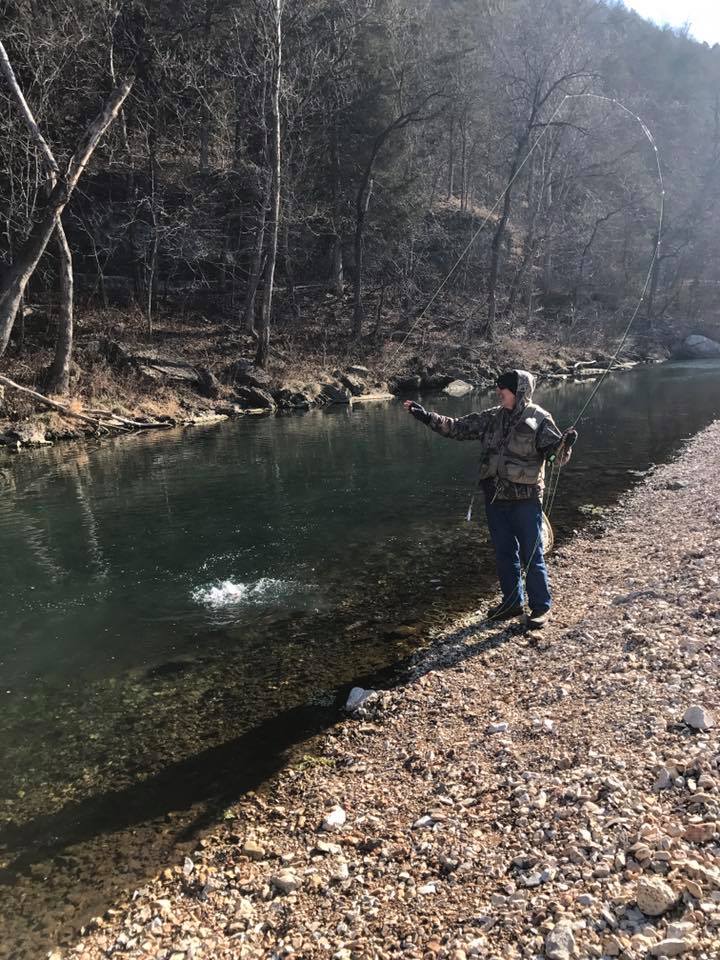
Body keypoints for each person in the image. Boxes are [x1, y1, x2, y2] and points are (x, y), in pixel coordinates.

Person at [404, 369, 577, 629]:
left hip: (526, 500)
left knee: (532, 555)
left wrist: (566, 445)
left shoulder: (540, 419)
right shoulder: (491, 417)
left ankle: (541, 608)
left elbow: (556, 458)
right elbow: (458, 428)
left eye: (503, 389)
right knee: (504, 553)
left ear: (518, 392)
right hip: (495, 499)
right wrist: (426, 417)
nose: (499, 393)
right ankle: (511, 604)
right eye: (498, 389)